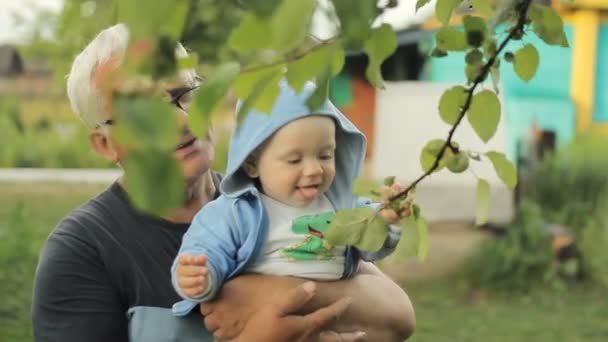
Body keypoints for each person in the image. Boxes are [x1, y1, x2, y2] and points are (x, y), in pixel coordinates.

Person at [31, 23, 415, 342]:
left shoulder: (275, 199)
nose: (182, 120)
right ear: (104, 143)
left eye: (185, 95)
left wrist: (278, 295)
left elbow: (398, 315)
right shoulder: (83, 252)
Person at [172, 80, 409, 318]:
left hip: (335, 320)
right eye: (294, 160)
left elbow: (371, 242)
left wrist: (385, 219)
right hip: (267, 322)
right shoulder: (236, 212)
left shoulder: (342, 206)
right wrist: (200, 277)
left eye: (325, 155)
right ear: (252, 163)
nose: (314, 169)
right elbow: (206, 248)